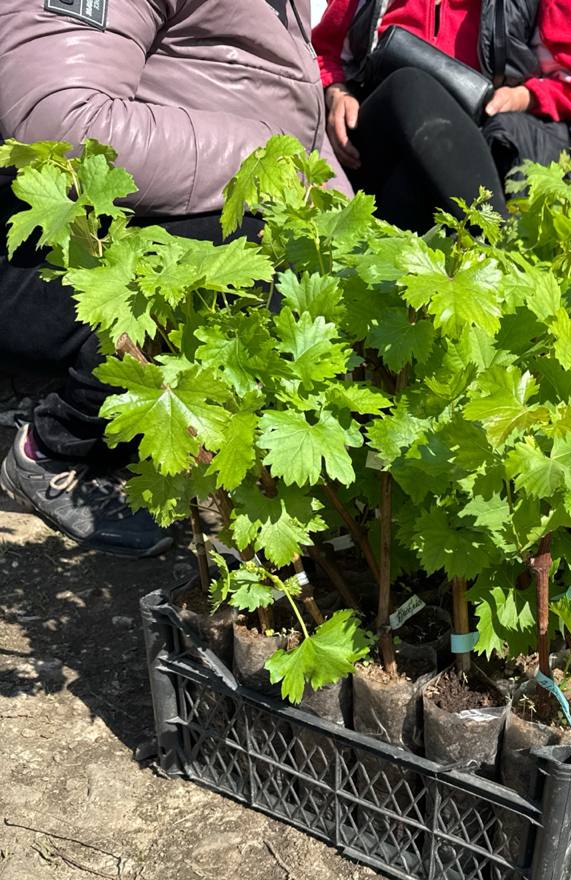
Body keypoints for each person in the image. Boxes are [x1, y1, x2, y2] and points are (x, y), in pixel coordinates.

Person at [0, 0, 349, 558]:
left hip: (160, 213)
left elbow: (296, 129)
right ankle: (57, 448)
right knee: (252, 255)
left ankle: (154, 443)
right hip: (46, 258)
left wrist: (343, 232)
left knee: (302, 256)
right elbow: (64, 123)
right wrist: (265, 166)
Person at [313, 0, 571, 233]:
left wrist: (523, 96)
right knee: (410, 85)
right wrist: (336, 92)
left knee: (408, 194)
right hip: (372, 140)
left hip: (461, 160)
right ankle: (497, 247)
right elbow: (324, 51)